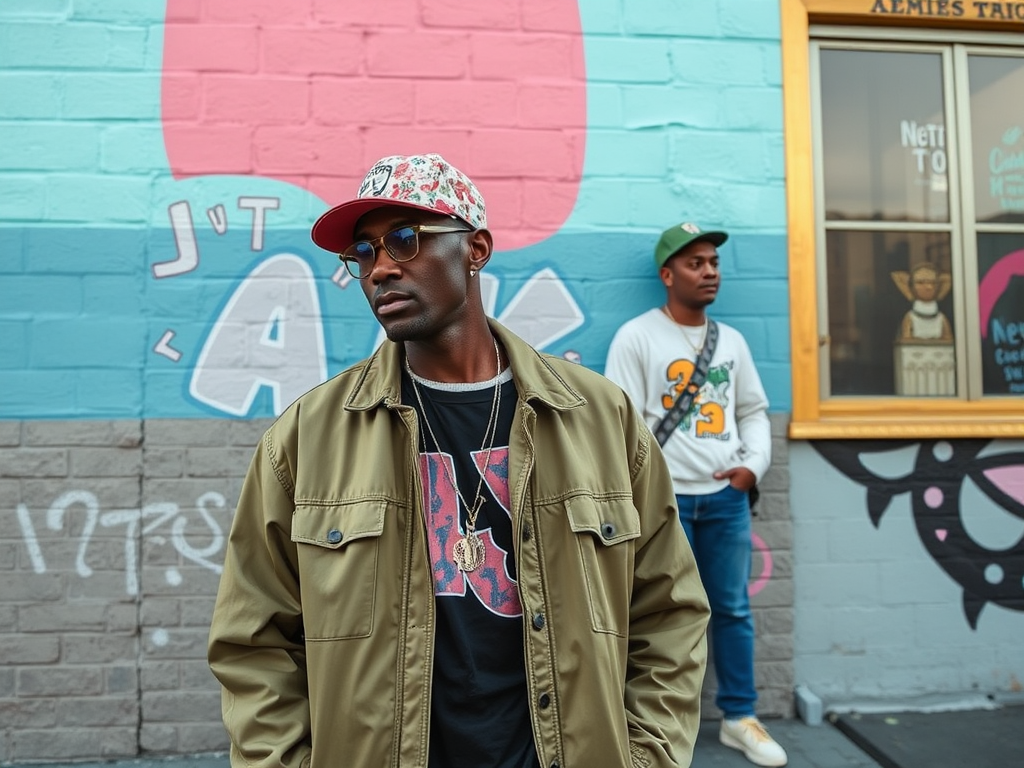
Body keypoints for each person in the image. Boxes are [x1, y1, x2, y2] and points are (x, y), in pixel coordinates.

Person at [208, 154, 711, 768]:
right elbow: (253, 643)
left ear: (475, 249)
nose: (381, 269)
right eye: (363, 253)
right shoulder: (306, 440)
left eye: (404, 239)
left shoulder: (600, 419)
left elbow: (669, 612)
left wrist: (647, 757)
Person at [604, 222, 787, 768]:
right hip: (665, 506)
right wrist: (645, 492)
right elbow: (621, 423)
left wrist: (751, 468)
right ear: (667, 275)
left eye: (713, 262)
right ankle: (648, 723)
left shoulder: (730, 341)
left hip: (726, 500)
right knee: (656, 612)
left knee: (730, 608)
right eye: (694, 263)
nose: (709, 271)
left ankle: (739, 717)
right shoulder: (636, 337)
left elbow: (752, 410)